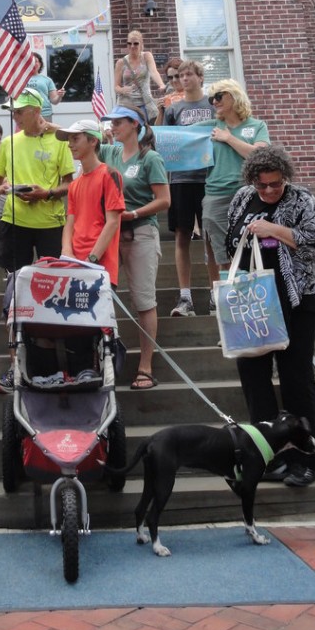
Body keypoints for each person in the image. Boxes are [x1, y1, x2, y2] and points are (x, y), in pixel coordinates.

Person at [226, 145, 315, 487]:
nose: (269, 191)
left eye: (275, 184)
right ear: (252, 182)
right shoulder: (243, 198)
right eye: (262, 185)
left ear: (285, 177)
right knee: (254, 377)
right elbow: (230, 243)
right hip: (253, 300)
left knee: (296, 378)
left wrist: (273, 230)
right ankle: (268, 457)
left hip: (296, 299)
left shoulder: (302, 199)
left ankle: (306, 459)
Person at [100, 106, 170, 389]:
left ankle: (145, 365)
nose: (112, 127)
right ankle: (102, 363)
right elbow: (80, 141)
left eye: (118, 122)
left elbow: (164, 200)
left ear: (134, 125)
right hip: (113, 235)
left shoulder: (150, 157)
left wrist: (135, 213)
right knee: (103, 299)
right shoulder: (110, 152)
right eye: (111, 123)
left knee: (143, 300)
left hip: (140, 232)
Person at [0, 87, 75, 272]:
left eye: (19, 111)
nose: (15, 116)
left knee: (53, 283)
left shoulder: (59, 140)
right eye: (13, 112)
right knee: (16, 283)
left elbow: (70, 184)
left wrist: (46, 193)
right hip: (14, 222)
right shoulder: (8, 142)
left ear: (37, 111)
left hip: (51, 223)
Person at [199, 79, 269, 286]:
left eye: (219, 96)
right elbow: (176, 137)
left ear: (234, 95)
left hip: (249, 194)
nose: (214, 102)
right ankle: (231, 298)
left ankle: (255, 294)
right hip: (216, 195)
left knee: (253, 246)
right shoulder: (211, 127)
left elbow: (260, 155)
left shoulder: (256, 125)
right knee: (222, 252)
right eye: (211, 99)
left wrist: (228, 138)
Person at [163, 60, 213, 317]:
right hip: (181, 180)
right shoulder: (174, 109)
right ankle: (186, 299)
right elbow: (165, 142)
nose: (184, 79)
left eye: (189, 74)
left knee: (211, 238)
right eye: (180, 75)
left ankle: (217, 297)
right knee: (182, 236)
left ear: (200, 77)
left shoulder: (212, 106)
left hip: (209, 179)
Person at [58, 119, 125, 287]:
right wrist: (66, 251)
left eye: (75, 139)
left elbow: (113, 222)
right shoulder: (74, 184)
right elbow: (70, 223)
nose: (69, 145)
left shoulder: (109, 175)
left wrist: (92, 258)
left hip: (100, 267)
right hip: (75, 266)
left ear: (93, 141)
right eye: (69, 140)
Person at [114, 30, 165, 123]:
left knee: (144, 131)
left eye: (136, 43)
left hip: (143, 103)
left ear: (141, 44)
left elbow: (154, 72)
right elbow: (116, 86)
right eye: (129, 43)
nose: (132, 46)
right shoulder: (121, 62)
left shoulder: (146, 56)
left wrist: (161, 84)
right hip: (126, 104)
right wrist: (122, 90)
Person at [27, 52, 65, 119]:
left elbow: (54, 100)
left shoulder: (47, 80)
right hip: (25, 114)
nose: (34, 64)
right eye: (31, 61)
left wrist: (59, 96)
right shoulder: (20, 80)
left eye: (36, 61)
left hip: (45, 114)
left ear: (40, 64)